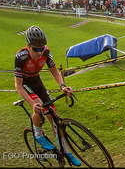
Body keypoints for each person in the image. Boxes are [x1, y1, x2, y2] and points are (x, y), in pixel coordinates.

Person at [14, 25, 81, 166]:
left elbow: (55, 72)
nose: (39, 52)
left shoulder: (46, 53)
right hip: (25, 83)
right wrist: (32, 104)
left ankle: (66, 152)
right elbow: (18, 86)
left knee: (54, 117)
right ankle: (37, 134)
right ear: (28, 46)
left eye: (42, 48)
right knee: (38, 104)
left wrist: (63, 86)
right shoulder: (21, 57)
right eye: (35, 49)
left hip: (37, 82)